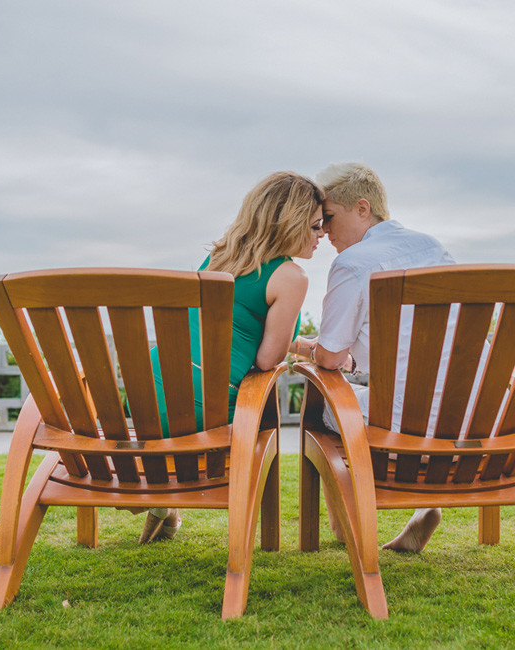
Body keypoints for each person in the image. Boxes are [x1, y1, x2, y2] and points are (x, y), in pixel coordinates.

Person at [140, 171, 326, 543]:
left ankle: (164, 507)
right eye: (317, 224)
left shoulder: (218, 257)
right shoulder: (292, 276)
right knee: (255, 408)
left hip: (150, 395)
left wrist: (305, 346)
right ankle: (169, 506)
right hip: (203, 410)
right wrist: (311, 352)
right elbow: (266, 357)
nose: (322, 234)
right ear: (292, 222)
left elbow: (235, 328)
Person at [300, 162, 456, 553]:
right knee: (412, 396)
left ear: (363, 209)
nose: (324, 231)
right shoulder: (433, 248)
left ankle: (342, 526)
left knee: (320, 407)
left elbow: (332, 358)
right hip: (470, 412)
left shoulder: (353, 263)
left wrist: (300, 345)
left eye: (329, 218)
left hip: (403, 419)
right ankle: (426, 507)